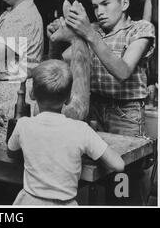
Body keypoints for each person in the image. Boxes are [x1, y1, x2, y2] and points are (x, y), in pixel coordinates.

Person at [7, 59, 125, 206]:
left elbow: (11, 152)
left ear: (32, 94)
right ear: (69, 98)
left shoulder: (23, 124)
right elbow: (119, 165)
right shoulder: (81, 130)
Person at [62, 0, 156, 137]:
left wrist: (89, 35)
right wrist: (60, 37)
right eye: (95, 7)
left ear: (124, 3)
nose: (99, 12)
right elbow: (66, 59)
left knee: (124, 159)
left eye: (105, 4)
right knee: (91, 160)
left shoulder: (140, 29)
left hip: (125, 113)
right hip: (93, 107)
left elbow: (123, 72)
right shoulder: (92, 29)